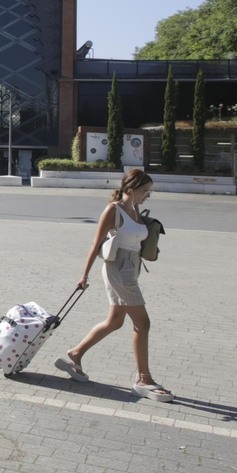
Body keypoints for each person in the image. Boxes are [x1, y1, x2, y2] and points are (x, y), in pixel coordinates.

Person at [54, 168, 173, 401]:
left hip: (132, 268)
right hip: (119, 270)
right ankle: (144, 378)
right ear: (131, 188)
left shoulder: (136, 210)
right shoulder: (113, 211)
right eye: (145, 190)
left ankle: (75, 354)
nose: (148, 195)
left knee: (115, 321)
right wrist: (84, 276)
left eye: (150, 191)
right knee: (143, 323)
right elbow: (95, 243)